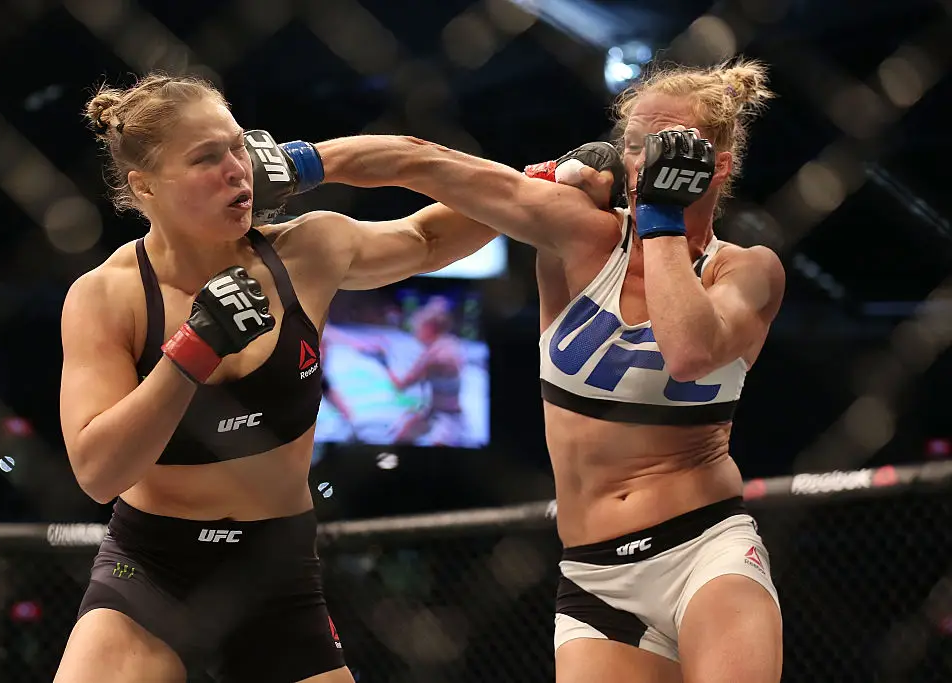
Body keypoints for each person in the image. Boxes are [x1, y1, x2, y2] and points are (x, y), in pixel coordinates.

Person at [303, 58, 785, 682]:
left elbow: (690, 351)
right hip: (594, 575)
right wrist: (300, 162)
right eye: (635, 145)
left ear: (716, 163)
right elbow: (420, 161)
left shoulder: (744, 270)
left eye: (668, 146)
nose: (645, 162)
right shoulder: (581, 234)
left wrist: (663, 221)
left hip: (706, 550)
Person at [56, 73, 497, 683]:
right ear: (145, 186)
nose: (236, 170)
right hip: (151, 574)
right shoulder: (108, 297)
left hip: (278, 573)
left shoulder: (307, 250)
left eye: (240, 146)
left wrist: (316, 160)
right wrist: (190, 352)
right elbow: (97, 472)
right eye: (207, 158)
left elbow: (432, 234)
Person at [374, 296, 468, 446]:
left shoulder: (434, 356)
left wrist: (383, 361)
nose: (415, 333)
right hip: (432, 412)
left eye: (417, 327)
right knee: (400, 438)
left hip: (448, 419)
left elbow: (401, 386)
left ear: (428, 328)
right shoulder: (449, 344)